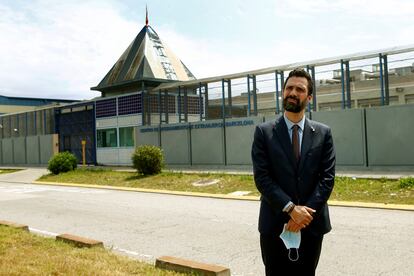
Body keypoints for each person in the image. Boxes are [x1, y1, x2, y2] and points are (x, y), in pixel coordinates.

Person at [251, 68, 335, 276]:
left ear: (309, 97)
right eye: (289, 88)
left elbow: (327, 178)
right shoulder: (264, 132)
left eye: (300, 89)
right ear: (282, 93)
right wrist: (290, 209)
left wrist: (301, 216)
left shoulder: (323, 133)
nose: (293, 92)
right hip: (275, 224)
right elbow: (262, 178)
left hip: (311, 225)